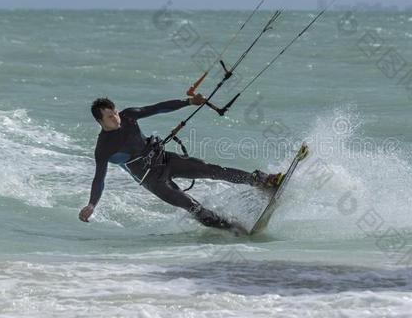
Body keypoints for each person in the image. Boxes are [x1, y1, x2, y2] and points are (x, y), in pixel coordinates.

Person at [78, 95, 281, 234]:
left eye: (115, 112)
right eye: (110, 116)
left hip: (163, 159)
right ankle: (231, 229)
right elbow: (99, 178)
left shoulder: (129, 116)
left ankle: (261, 180)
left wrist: (189, 101)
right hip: (152, 180)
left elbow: (158, 108)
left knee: (210, 169)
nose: (116, 118)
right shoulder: (104, 147)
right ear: (100, 121)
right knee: (191, 206)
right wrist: (92, 204)